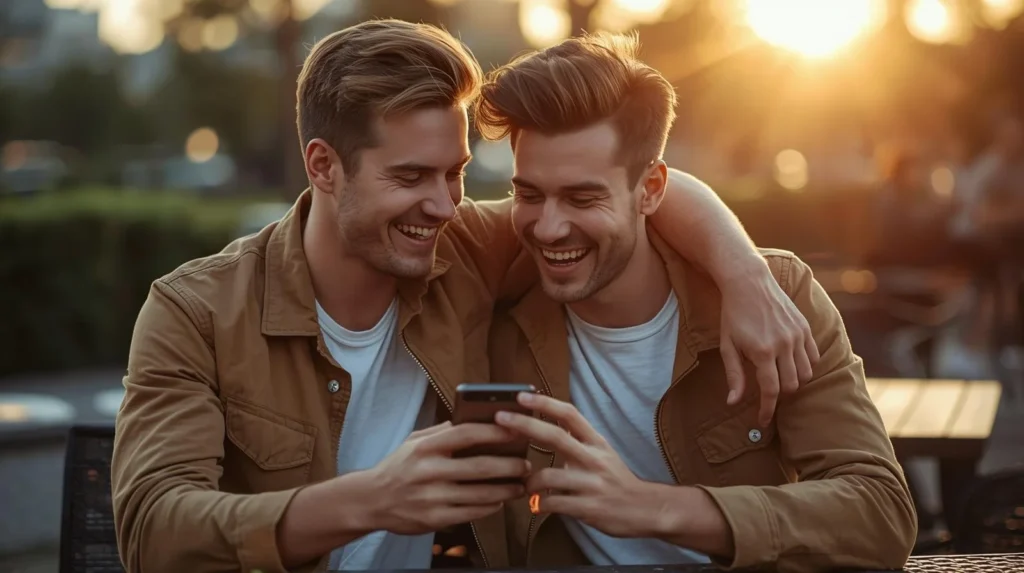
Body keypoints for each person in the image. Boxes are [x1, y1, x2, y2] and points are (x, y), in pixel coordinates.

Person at [110, 20, 817, 573]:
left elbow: (627, 190)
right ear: (323, 166)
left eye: (458, 174)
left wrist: (744, 271)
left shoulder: (462, 252)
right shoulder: (194, 311)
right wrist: (370, 500)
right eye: (411, 176)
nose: (446, 205)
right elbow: (152, 531)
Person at [476, 32, 917, 572]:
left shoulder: (778, 298)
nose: (547, 227)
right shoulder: (490, 294)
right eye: (528, 194)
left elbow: (880, 515)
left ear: (652, 189)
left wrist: (654, 508)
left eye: (583, 197)